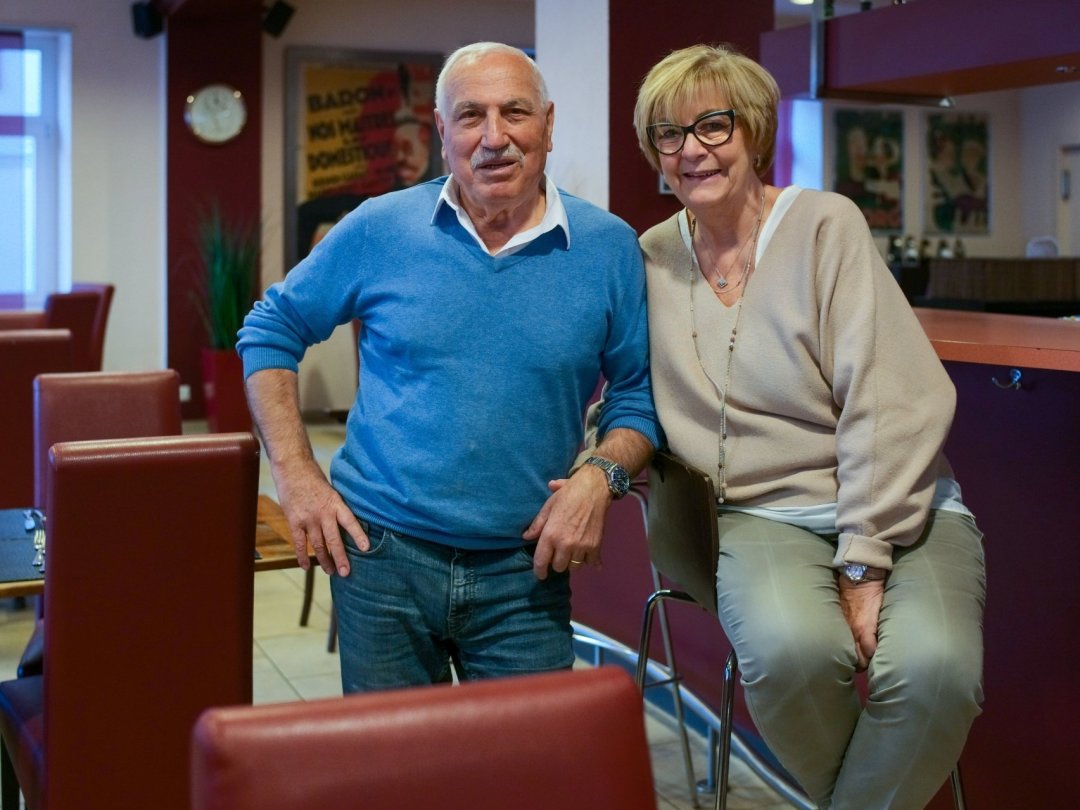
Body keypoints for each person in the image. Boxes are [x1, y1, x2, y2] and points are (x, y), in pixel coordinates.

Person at [237, 42, 659, 694]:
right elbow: (270, 330)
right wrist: (295, 476)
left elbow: (636, 390)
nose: (494, 138)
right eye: (470, 116)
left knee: (526, 777)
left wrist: (601, 478)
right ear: (442, 132)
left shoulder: (607, 248)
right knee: (395, 776)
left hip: (526, 568)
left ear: (547, 124)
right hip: (381, 559)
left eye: (515, 113)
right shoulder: (383, 228)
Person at [631, 44, 985, 809]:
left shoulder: (826, 225)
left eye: (714, 125)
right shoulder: (651, 258)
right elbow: (627, 390)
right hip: (758, 515)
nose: (692, 149)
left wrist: (863, 563)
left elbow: (887, 400)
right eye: (669, 133)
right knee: (790, 655)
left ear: (754, 131)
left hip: (901, 506)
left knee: (936, 672)